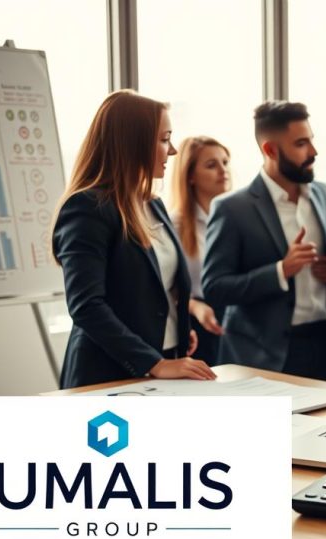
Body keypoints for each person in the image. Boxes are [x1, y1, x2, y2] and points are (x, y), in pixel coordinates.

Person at [51, 90, 215, 388]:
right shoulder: (87, 208)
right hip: (107, 375)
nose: (173, 150)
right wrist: (154, 363)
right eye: (165, 139)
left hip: (162, 366)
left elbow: (158, 288)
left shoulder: (153, 204)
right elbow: (86, 306)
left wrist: (177, 329)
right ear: (133, 142)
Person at [202, 101, 326, 382]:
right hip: (264, 355)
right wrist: (281, 271)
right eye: (301, 144)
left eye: (311, 141)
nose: (313, 152)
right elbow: (215, 288)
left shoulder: (325, 194)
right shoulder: (232, 208)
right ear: (270, 150)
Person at [169, 136, 232, 366]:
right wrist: (196, 308)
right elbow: (167, 288)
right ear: (190, 175)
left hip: (233, 319)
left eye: (225, 162)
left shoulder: (234, 219)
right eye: (211, 165)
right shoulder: (174, 224)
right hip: (195, 323)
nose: (223, 171)